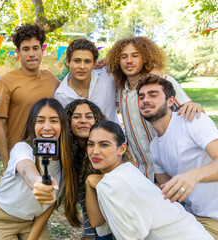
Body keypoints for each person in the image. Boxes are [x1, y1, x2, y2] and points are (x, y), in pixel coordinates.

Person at [84, 121, 213, 240]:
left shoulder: (111, 183)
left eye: (104, 145)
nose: (95, 151)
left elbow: (129, 238)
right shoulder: (128, 170)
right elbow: (96, 222)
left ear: (122, 149)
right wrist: (89, 181)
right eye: (91, 144)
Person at [105, 36, 203, 181]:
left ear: (145, 58)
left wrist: (193, 106)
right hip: (142, 171)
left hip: (173, 167)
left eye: (135, 56)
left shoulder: (162, 82)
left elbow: (193, 111)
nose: (129, 61)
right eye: (123, 57)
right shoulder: (120, 91)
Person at [0, 98, 80, 239]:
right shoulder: (22, 148)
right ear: (32, 125)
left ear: (63, 125)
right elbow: (26, 167)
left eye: (54, 121)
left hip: (32, 221)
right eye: (40, 121)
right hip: (0, 219)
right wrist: (37, 182)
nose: (47, 127)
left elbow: (50, 205)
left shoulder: (66, 161)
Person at [137, 75, 218, 238]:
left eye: (153, 95)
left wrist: (194, 176)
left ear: (171, 101)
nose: (145, 100)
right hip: (192, 216)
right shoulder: (155, 147)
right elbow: (167, 191)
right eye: (141, 96)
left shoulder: (192, 120)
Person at [0, 23, 60, 170]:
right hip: (18, 157)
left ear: (42, 50)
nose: (31, 54)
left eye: (35, 48)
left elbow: (72, 89)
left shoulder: (51, 79)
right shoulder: (5, 82)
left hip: (46, 154)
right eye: (25, 49)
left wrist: (96, 67)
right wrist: (6, 162)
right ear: (18, 52)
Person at [65, 99, 110, 240]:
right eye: (76, 117)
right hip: (95, 222)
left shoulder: (106, 151)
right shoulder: (68, 153)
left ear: (97, 120)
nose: (83, 121)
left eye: (89, 116)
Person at [54, 39, 119, 123]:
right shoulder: (61, 95)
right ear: (67, 61)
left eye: (87, 61)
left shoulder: (108, 77)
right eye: (77, 61)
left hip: (113, 135)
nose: (82, 66)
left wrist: (110, 60)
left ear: (94, 63)